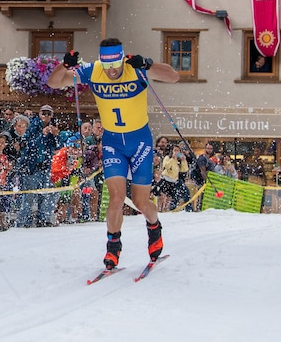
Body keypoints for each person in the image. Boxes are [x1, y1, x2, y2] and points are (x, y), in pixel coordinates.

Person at [49, 38, 179, 269]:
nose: (111, 71)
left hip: (139, 141)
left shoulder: (134, 68)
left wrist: (148, 64)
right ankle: (113, 247)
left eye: (115, 65)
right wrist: (65, 65)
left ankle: (154, 228)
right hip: (112, 143)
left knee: (140, 201)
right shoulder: (94, 70)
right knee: (117, 198)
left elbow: (173, 76)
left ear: (121, 59)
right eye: (106, 66)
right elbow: (54, 83)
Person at [15, 104, 60, 227]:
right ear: (39, 114)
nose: (45, 116)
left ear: (52, 115)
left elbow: (57, 146)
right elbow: (28, 144)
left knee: (46, 193)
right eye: (43, 113)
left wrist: (56, 135)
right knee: (29, 195)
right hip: (31, 166)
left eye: (48, 113)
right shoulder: (33, 125)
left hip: (45, 166)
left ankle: (43, 218)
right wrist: (42, 134)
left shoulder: (53, 126)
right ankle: (24, 221)